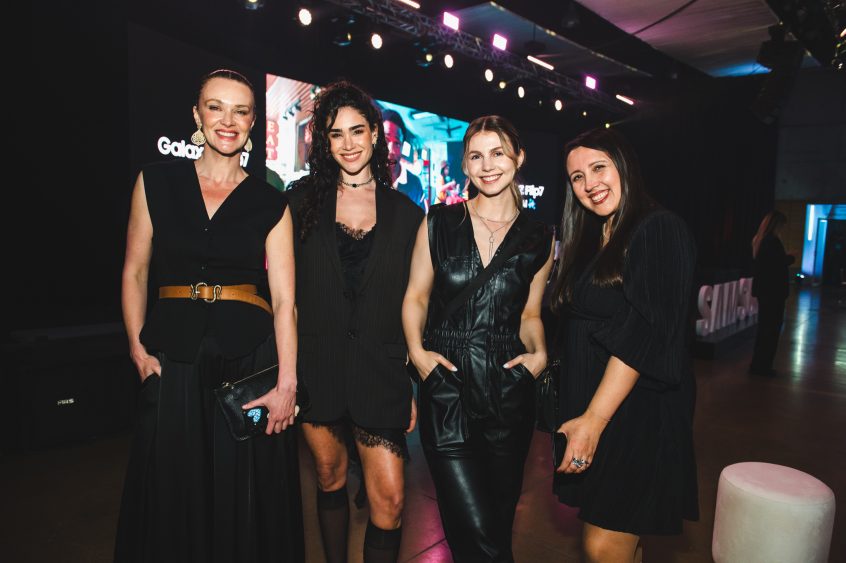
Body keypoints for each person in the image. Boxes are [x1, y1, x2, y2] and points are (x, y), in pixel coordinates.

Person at [115, 69, 303, 563]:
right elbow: (135, 271)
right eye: (215, 107)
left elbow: (285, 300)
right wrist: (136, 347)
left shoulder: (272, 202)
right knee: (171, 490)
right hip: (173, 357)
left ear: (253, 122)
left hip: (247, 359)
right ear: (197, 114)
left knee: (240, 494)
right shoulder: (155, 182)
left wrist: (287, 382)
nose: (228, 120)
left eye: (241, 111)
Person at [403, 115, 554, 561]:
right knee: (473, 529)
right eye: (476, 156)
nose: (487, 166)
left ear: (518, 158)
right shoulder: (438, 223)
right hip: (446, 386)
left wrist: (540, 353)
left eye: (498, 153)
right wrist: (418, 355)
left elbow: (530, 314)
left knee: (497, 524)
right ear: (465, 166)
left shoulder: (539, 237)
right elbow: (415, 297)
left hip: (509, 389)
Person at [285, 81, 424, 563]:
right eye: (335, 133)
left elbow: (413, 303)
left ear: (375, 135)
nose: (347, 143)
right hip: (316, 365)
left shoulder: (407, 215)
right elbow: (286, 297)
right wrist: (287, 375)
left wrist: (408, 383)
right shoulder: (300, 203)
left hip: (380, 372)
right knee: (330, 478)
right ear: (324, 142)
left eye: (357, 130)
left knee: (390, 501)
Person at [549, 127, 699, 562]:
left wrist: (593, 421)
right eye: (577, 177)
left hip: (637, 413)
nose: (589, 184)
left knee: (603, 545)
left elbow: (644, 332)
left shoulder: (658, 228)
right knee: (617, 542)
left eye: (599, 167)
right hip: (603, 406)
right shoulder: (595, 236)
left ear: (624, 165)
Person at [750, 210, 794, 376]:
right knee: (771, 329)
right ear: (776, 224)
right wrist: (791, 258)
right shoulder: (772, 241)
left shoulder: (760, 241)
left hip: (765, 291)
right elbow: (777, 264)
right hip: (773, 292)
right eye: (781, 225)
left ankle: (758, 365)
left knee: (765, 329)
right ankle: (763, 366)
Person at [382, 108, 426, 208]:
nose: (391, 151)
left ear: (402, 147)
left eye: (397, 143)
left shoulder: (415, 184)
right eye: (385, 140)